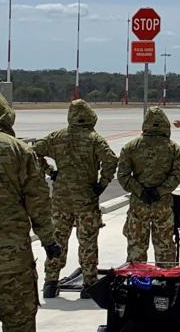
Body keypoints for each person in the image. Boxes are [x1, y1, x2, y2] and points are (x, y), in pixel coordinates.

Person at [33, 99, 118, 299]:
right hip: (86, 198)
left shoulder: (57, 137)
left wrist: (50, 172)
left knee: (57, 240)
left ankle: (51, 282)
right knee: (87, 241)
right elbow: (111, 160)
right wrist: (102, 183)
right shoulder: (94, 139)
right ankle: (89, 284)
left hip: (61, 198)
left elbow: (34, 151)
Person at [0, 89, 61, 331]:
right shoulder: (19, 150)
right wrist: (49, 241)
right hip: (11, 258)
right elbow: (38, 200)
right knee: (19, 321)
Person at [118, 107, 180, 268]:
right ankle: (166, 284)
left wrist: (141, 191)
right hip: (162, 205)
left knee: (136, 248)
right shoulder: (174, 148)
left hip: (138, 205)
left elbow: (123, 176)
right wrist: (159, 191)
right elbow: (177, 175)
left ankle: (137, 284)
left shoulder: (131, 147)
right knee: (165, 247)